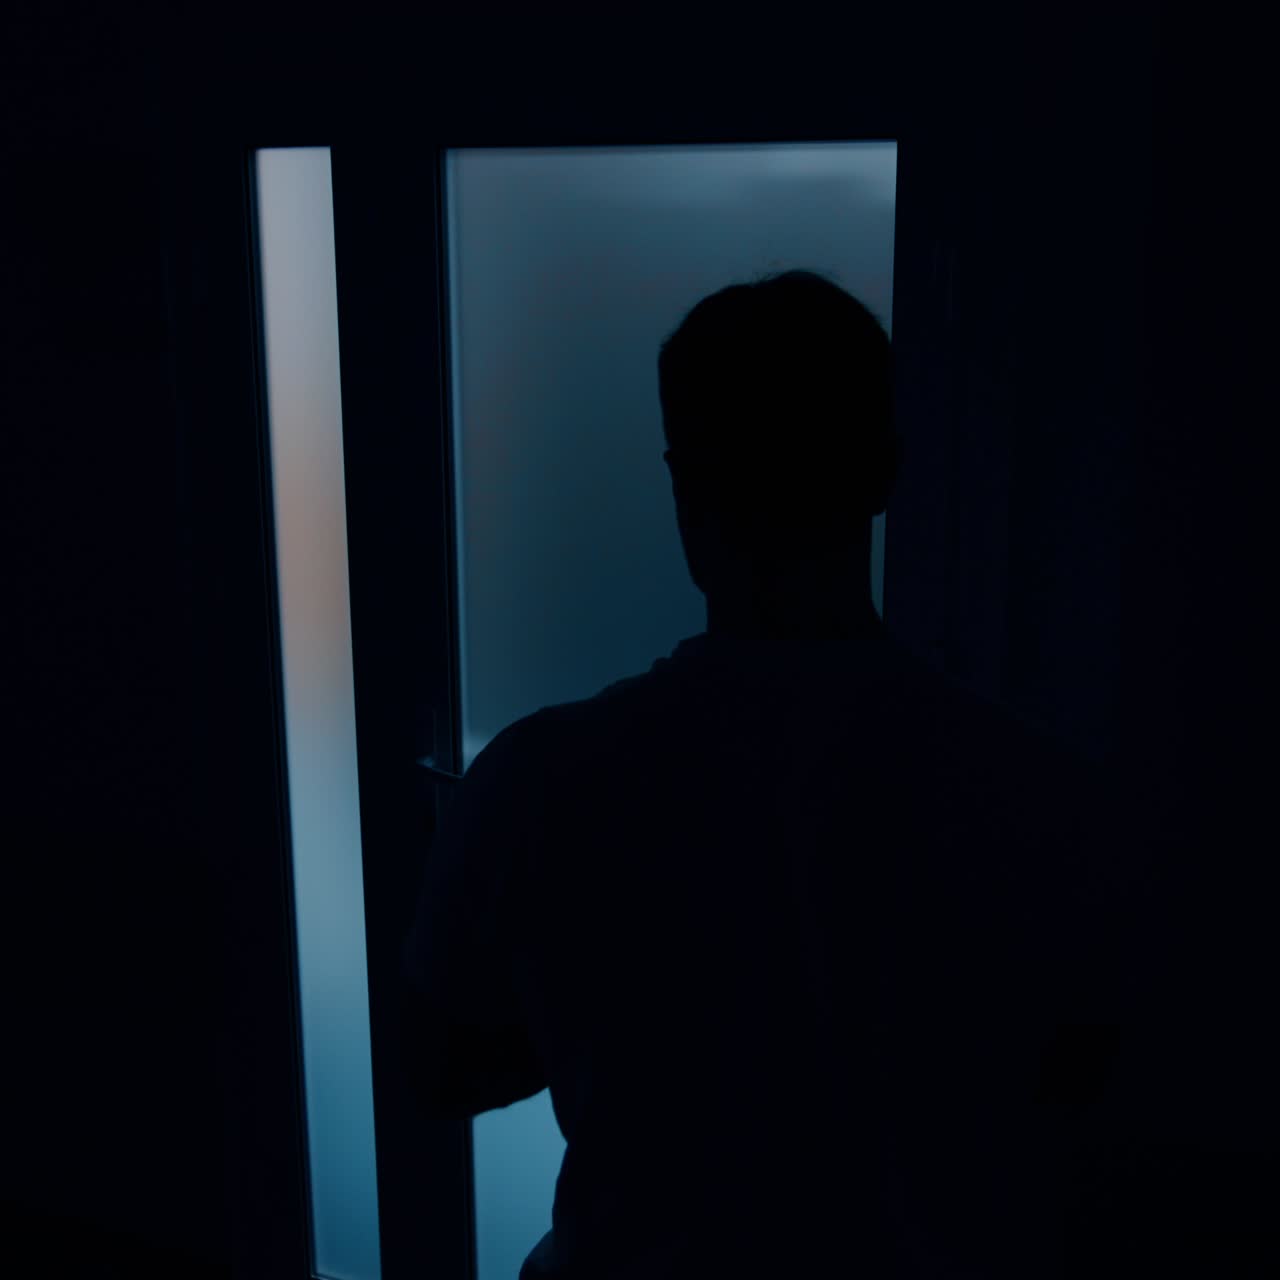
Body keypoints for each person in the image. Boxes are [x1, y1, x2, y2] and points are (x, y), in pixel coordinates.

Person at [400, 270, 1147, 1277]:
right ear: (882, 471)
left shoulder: (539, 779)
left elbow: (441, 1066)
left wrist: (597, 996)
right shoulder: (1041, 798)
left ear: (682, 483)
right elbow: (1072, 1082)